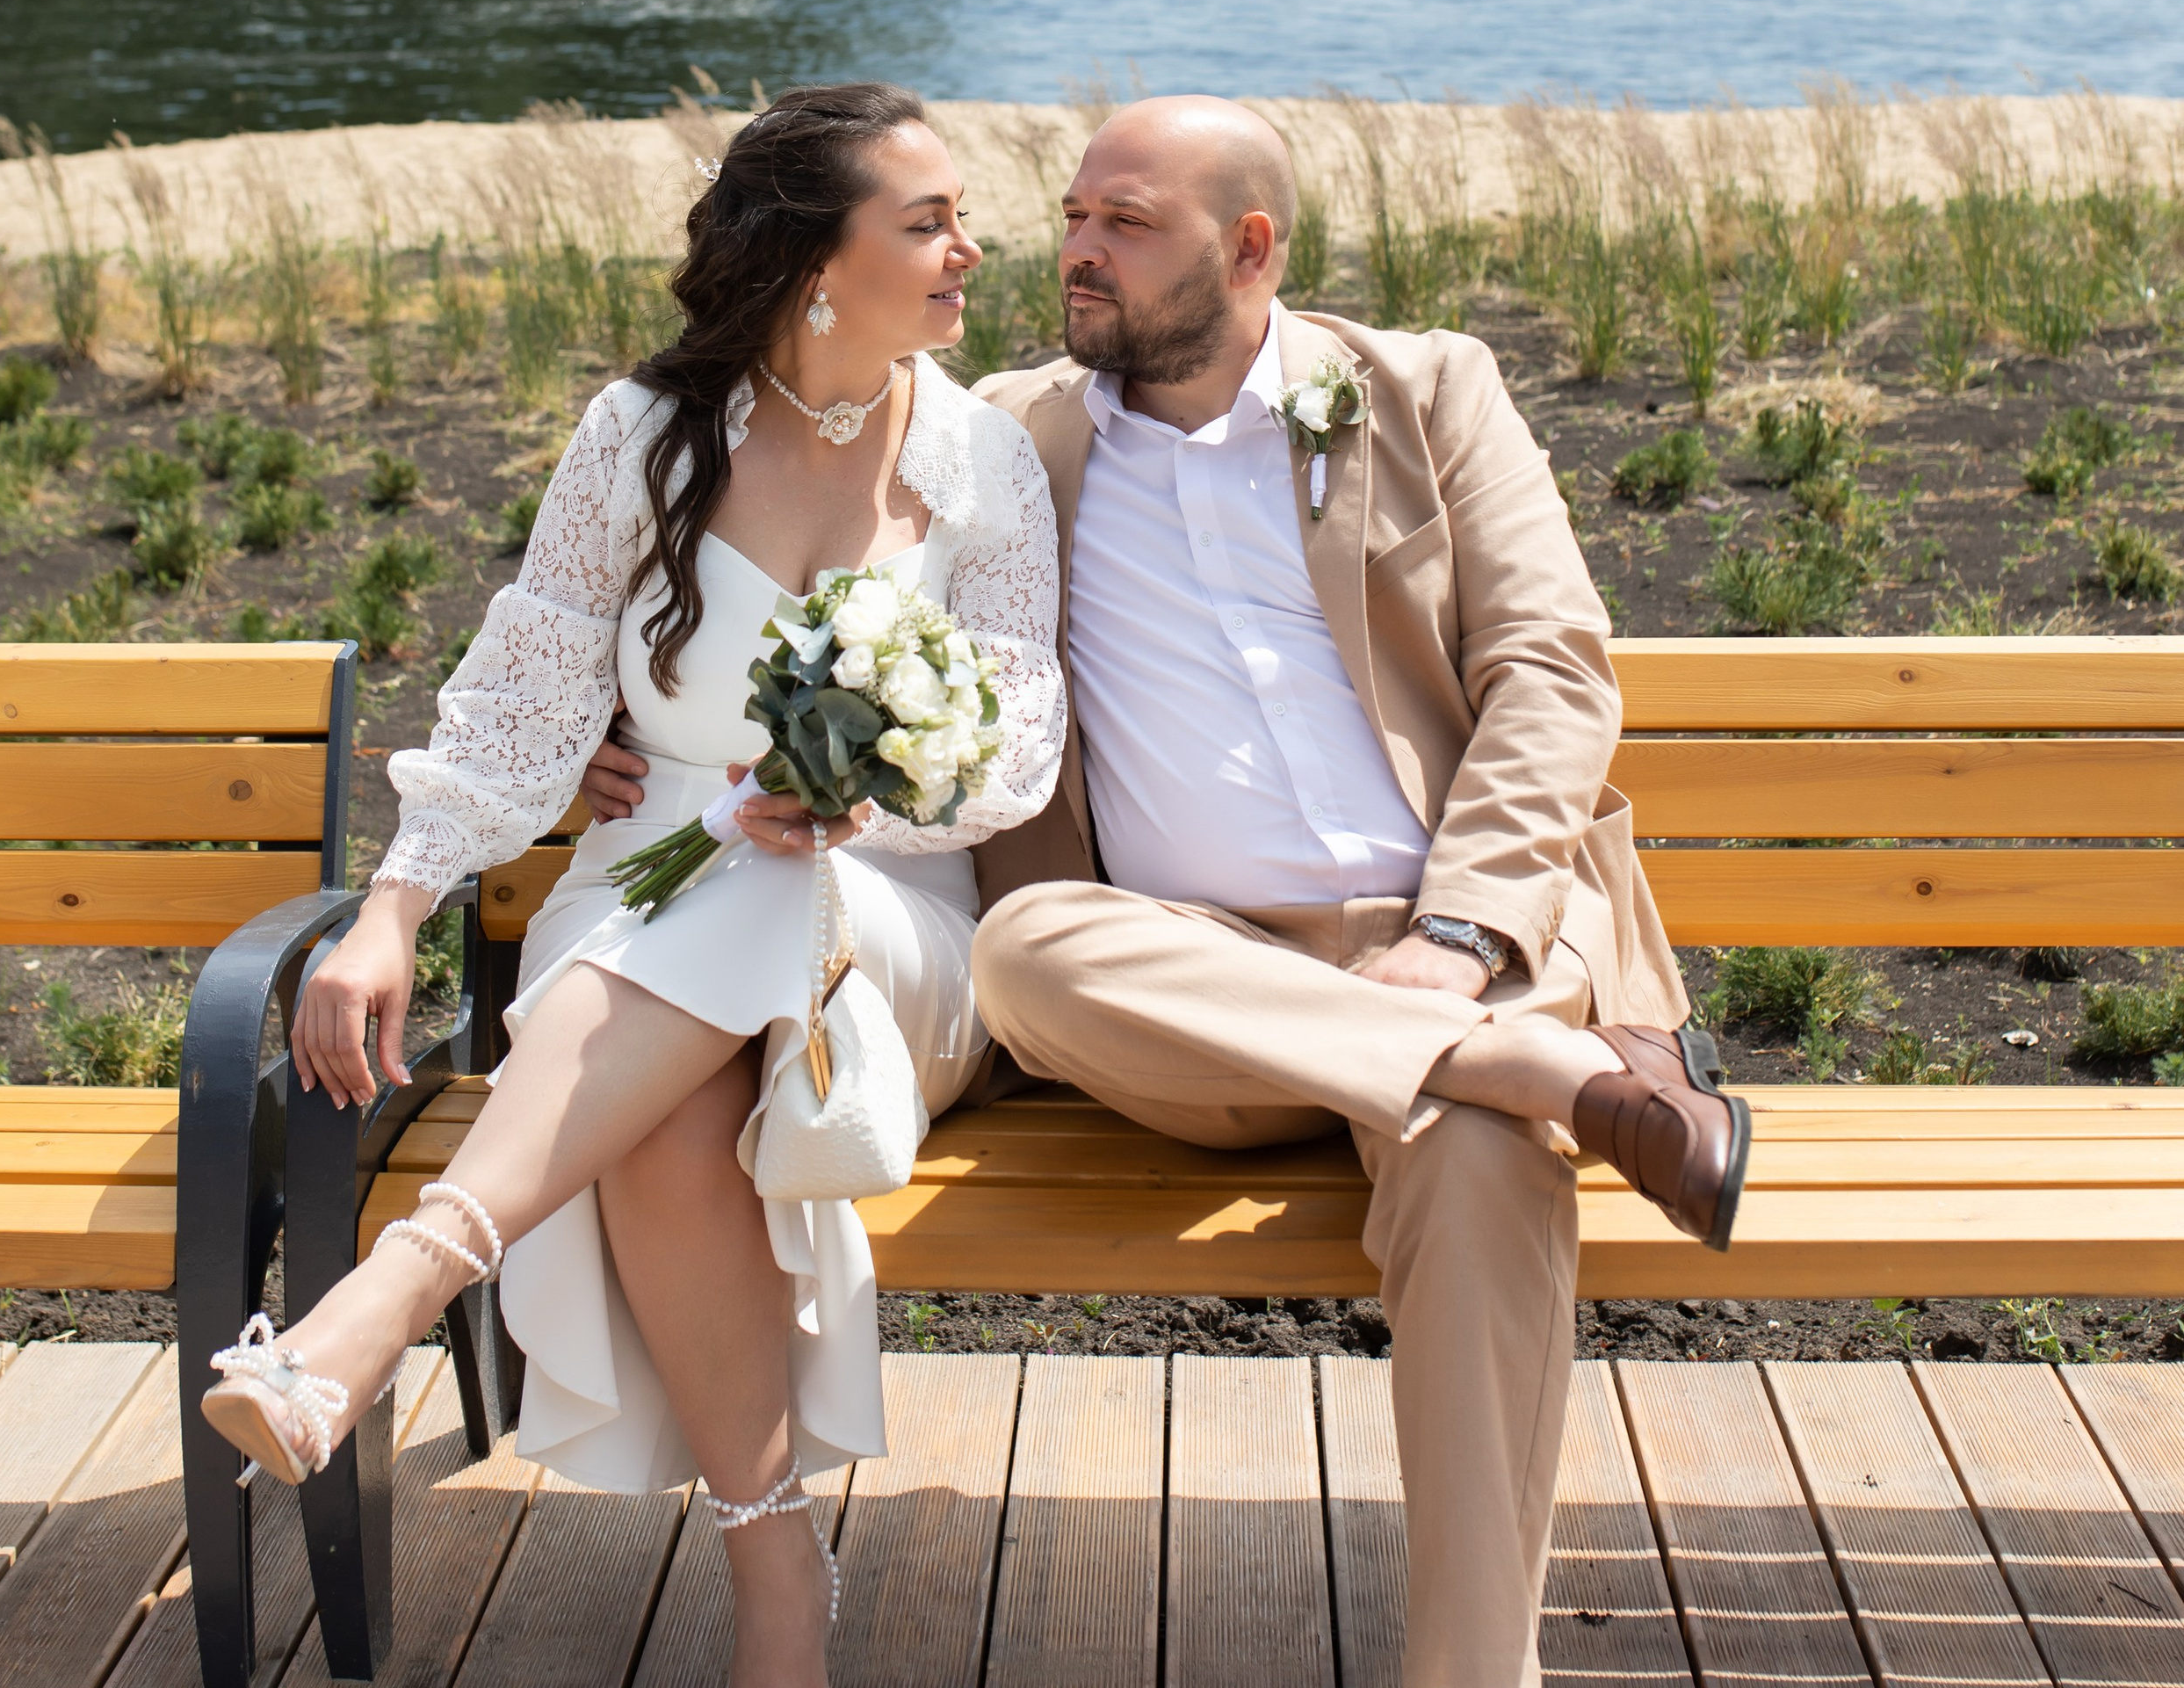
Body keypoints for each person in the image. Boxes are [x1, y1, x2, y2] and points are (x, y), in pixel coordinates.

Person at [585, 94, 1747, 1688]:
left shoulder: (1422, 392)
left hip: (1457, 955)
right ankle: (1529, 1075)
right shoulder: (1005, 434)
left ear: (1249, 248)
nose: (1072, 252)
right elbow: (771, 501)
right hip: (1171, 982)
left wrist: (1462, 935)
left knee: (1479, 1162)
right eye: (1071, 215)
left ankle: (1477, 1672)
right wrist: (612, 724)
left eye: (1123, 225)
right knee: (1033, 943)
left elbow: (1553, 676)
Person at [199, 83, 1063, 1688]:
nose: (970, 249)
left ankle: (385, 1304)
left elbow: (1014, 748)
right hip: (651, 896)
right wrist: (395, 902)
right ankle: (779, 1586)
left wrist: (862, 780)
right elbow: (524, 683)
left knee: (738, 897)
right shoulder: (646, 436)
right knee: (665, 1087)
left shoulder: (982, 459)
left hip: (884, 919)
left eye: (960, 219)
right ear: (818, 264)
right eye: (930, 222)